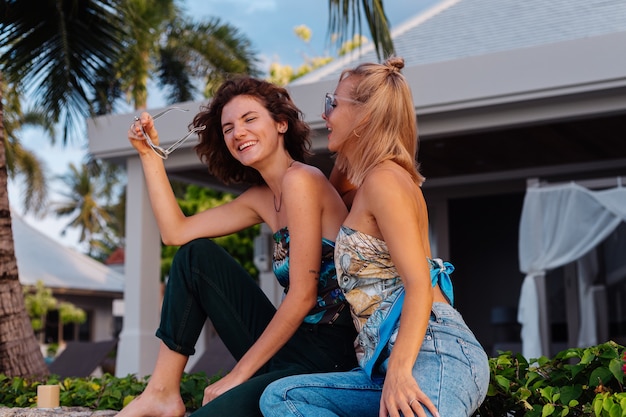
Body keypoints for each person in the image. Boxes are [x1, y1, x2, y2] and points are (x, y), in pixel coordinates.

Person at [260, 57, 490, 417]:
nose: (325, 114)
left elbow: (418, 283)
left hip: (433, 352)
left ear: (364, 116)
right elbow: (331, 185)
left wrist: (399, 371)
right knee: (283, 398)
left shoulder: (386, 180)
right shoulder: (368, 183)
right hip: (388, 364)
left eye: (332, 103)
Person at [119, 76, 357, 417]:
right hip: (292, 345)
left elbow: (303, 295)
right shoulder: (262, 199)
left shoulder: (303, 180)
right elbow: (176, 233)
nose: (238, 133)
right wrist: (148, 155)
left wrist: (237, 375)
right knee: (195, 256)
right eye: (228, 127)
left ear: (280, 123)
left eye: (249, 119)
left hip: (328, 355)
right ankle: (161, 391)